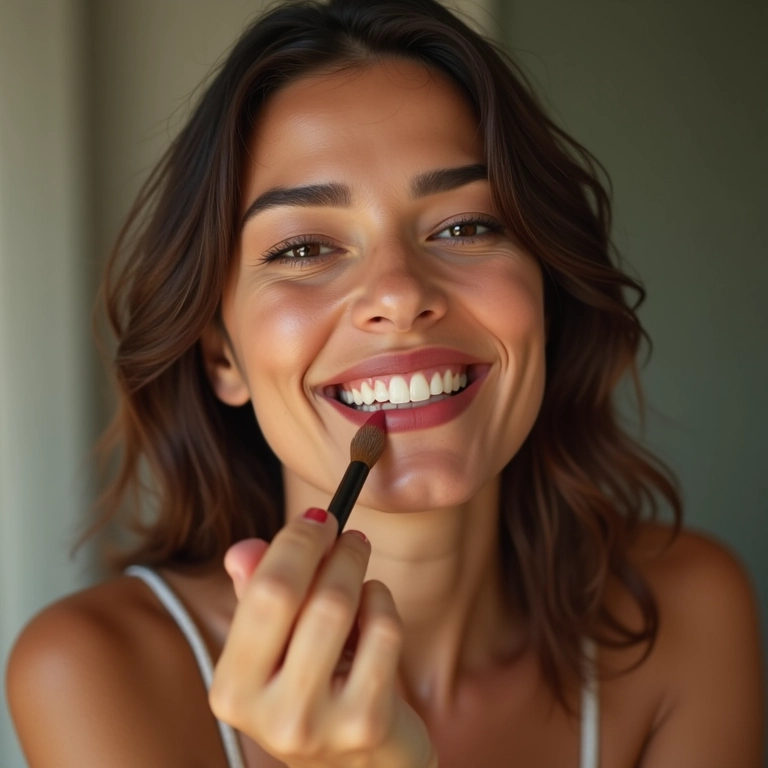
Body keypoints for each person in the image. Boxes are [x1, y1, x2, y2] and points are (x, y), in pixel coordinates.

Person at [6, 0, 764, 765]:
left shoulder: (689, 617)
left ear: (545, 296)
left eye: (466, 226)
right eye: (304, 247)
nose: (400, 295)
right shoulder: (97, 674)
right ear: (221, 356)